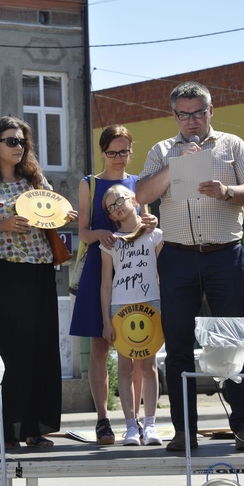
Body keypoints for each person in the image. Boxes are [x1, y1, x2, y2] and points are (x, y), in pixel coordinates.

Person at [135, 81, 244, 452]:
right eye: (184, 114)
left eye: (198, 112)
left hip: (225, 254)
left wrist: (227, 192)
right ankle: (184, 432)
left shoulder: (232, 144)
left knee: (234, 342)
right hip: (177, 256)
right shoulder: (162, 150)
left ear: (211, 111)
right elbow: (143, 195)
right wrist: (180, 165)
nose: (192, 120)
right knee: (177, 347)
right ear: (174, 115)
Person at [0, 116, 76, 449]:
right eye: (11, 141)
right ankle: (7, 431)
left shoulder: (35, 179)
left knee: (40, 351)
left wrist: (63, 216)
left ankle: (34, 428)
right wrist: (2, 225)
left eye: (22, 142)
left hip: (40, 270)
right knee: (7, 353)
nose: (18, 147)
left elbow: (49, 214)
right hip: (2, 273)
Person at [68, 125, 156, 445]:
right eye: (112, 152)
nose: (119, 158)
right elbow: (84, 232)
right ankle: (103, 419)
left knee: (135, 347)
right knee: (100, 347)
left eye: (124, 151)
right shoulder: (89, 184)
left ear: (131, 151)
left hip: (134, 271)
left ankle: (135, 423)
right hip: (99, 268)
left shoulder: (138, 184)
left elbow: (145, 229)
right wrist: (100, 234)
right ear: (102, 152)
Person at [99, 184, 164, 446]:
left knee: (148, 366)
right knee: (124, 367)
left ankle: (150, 425)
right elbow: (105, 283)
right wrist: (106, 320)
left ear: (134, 200)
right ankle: (129, 426)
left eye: (118, 201)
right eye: (110, 208)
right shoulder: (110, 244)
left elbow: (163, 275)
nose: (116, 208)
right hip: (121, 309)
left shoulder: (156, 236)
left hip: (151, 305)